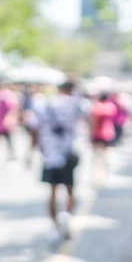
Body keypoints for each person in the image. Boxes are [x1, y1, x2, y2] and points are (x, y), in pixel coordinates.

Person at [32, 82, 81, 240]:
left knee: (52, 192)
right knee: (70, 190)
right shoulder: (74, 103)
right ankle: (67, 216)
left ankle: (55, 225)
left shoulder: (44, 104)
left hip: (50, 155)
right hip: (67, 153)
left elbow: (34, 126)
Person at [0, 80, 19, 167]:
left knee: (7, 141)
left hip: (3, 123)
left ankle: (11, 156)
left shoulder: (7, 95)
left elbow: (13, 108)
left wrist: (9, 119)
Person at [89, 93, 117, 186]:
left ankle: (96, 176)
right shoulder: (111, 107)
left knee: (97, 157)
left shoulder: (96, 107)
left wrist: (91, 132)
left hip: (97, 134)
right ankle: (104, 175)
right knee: (105, 156)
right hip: (108, 133)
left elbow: (94, 121)